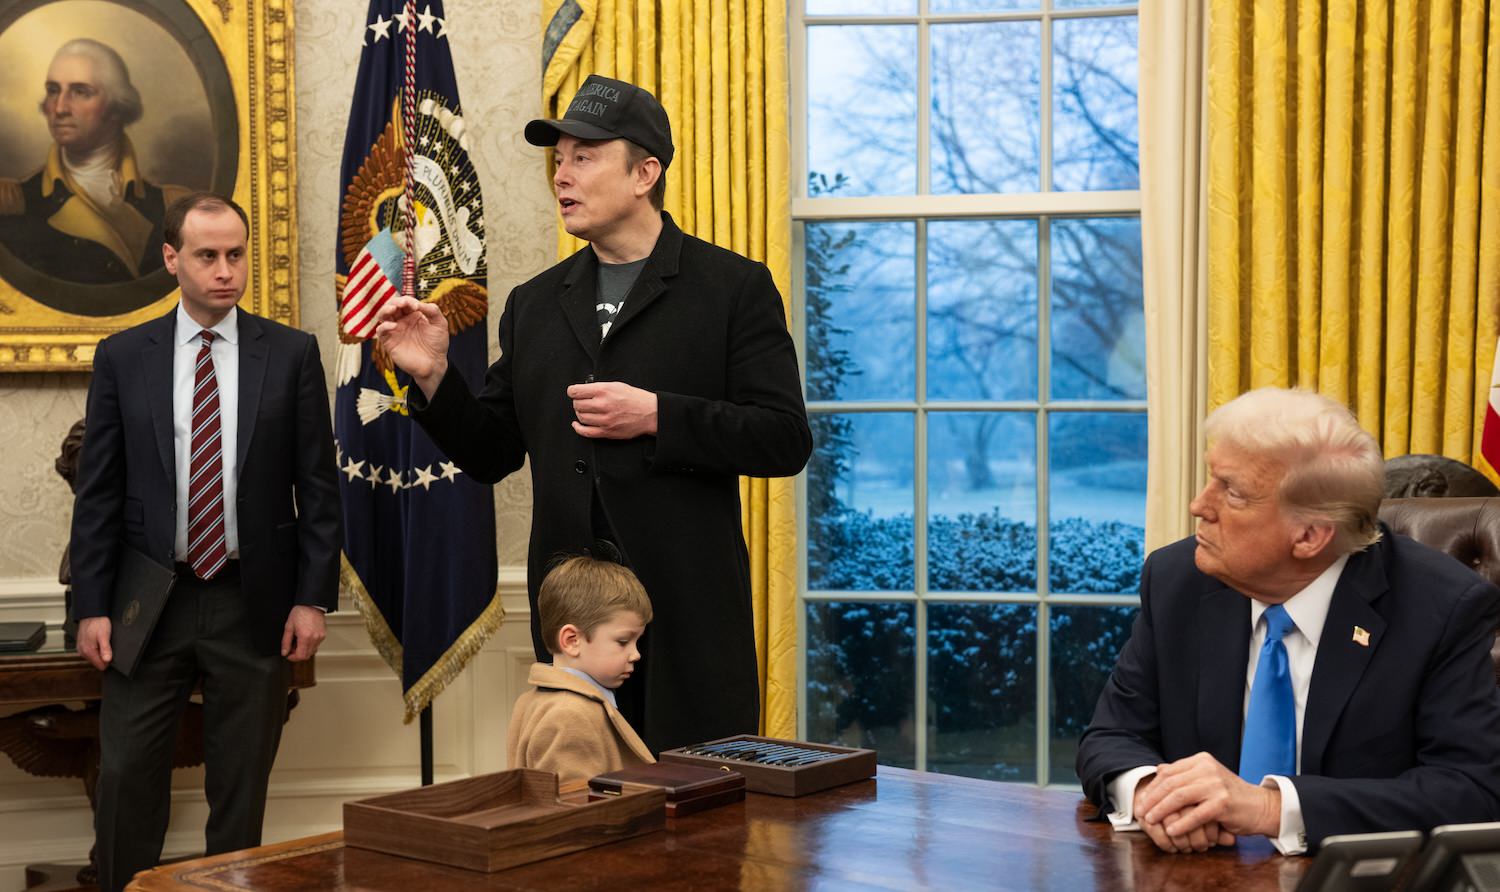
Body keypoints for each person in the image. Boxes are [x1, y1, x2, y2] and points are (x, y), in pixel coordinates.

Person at [376, 74, 812, 753]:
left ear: (645, 172)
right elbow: (492, 452)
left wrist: (659, 416)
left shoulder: (734, 288)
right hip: (575, 636)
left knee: (696, 832)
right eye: (558, 160)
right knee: (578, 827)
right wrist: (434, 376)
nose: (562, 175)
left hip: (688, 622)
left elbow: (784, 440)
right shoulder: (535, 303)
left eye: (584, 156)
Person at [1076, 387, 1500, 855]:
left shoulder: (1441, 607)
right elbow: (1112, 734)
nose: (1199, 505)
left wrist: (1270, 808)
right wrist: (1152, 791)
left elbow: (1471, 791)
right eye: (1210, 478)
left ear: (1309, 535)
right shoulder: (1177, 580)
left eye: (1231, 491)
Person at [68, 192, 341, 892]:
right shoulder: (125, 357)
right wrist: (89, 607)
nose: (226, 270)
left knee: (240, 792)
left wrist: (313, 600)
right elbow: (98, 494)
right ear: (171, 259)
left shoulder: (290, 354)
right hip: (147, 601)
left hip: (251, 602)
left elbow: (319, 490)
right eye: (207, 256)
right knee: (126, 780)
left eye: (236, 255)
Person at [0, 38, 187, 283]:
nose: (59, 108)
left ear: (117, 107)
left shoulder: (171, 206)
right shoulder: (13, 205)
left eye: (80, 92)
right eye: (53, 91)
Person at [507, 555, 656, 786]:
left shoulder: (532, 700)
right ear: (572, 640)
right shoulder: (569, 715)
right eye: (623, 641)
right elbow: (575, 809)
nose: (636, 654)